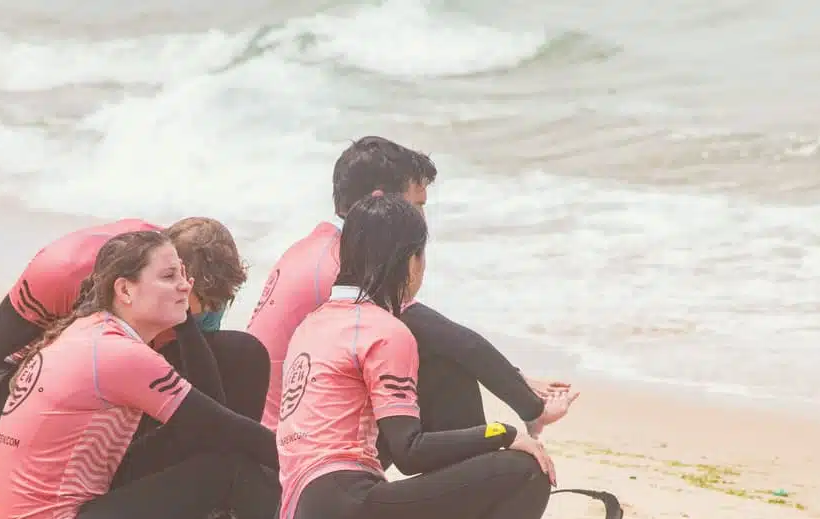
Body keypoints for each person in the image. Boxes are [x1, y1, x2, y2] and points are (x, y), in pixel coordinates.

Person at [274, 193, 714, 519]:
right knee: (525, 471)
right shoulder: (385, 330)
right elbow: (410, 450)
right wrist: (504, 434)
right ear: (409, 261)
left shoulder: (314, 324)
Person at [0, 215, 269, 519]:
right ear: (125, 287)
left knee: (240, 372)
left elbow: (213, 410)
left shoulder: (102, 324)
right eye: (174, 281)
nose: (190, 300)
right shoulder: (70, 279)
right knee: (226, 465)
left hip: (50, 500)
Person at [246, 135, 575, 448]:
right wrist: (532, 408)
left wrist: (518, 380)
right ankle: (475, 487)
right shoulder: (341, 263)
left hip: (286, 436)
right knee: (444, 367)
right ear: (380, 201)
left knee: (431, 357)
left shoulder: (317, 247)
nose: (423, 221)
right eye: (418, 206)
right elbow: (448, 338)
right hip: (287, 454)